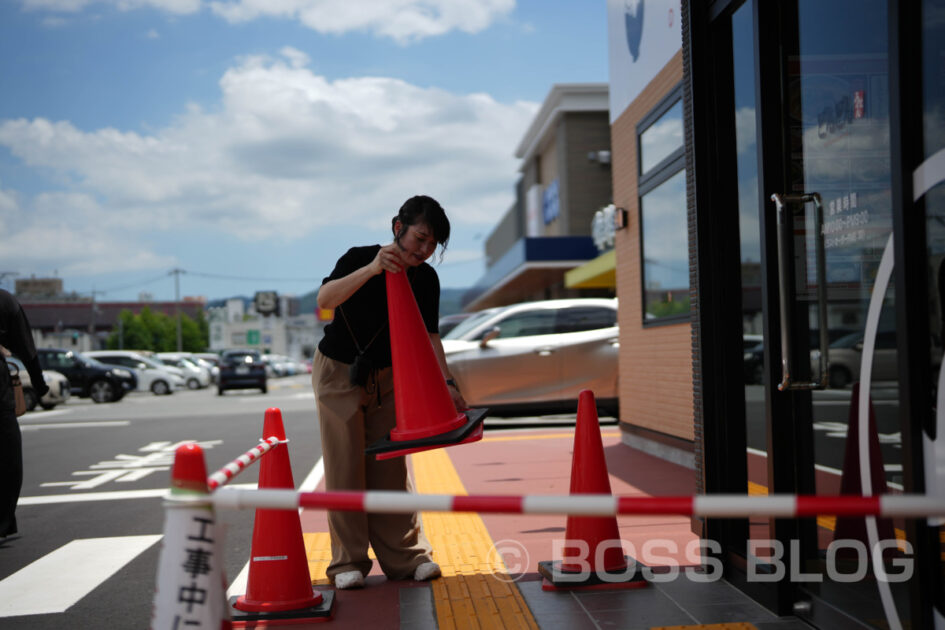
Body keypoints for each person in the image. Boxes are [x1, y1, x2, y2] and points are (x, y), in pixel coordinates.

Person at [312, 195, 466, 589]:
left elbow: (431, 335)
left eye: (433, 244)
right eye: (420, 238)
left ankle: (407, 558)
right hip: (339, 369)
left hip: (389, 376)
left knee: (390, 466)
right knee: (345, 464)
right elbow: (325, 300)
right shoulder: (357, 257)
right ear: (398, 227)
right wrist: (372, 269)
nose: (425, 250)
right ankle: (347, 562)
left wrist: (447, 384)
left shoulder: (426, 278)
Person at [0, 289, 48, 539]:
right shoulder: (5, 301)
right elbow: (27, 347)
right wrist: (39, 384)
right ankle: (3, 520)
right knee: (8, 460)